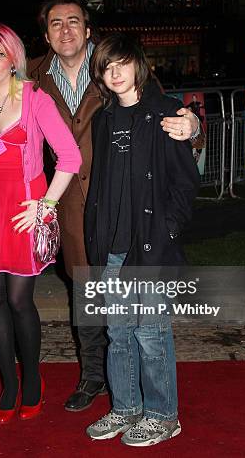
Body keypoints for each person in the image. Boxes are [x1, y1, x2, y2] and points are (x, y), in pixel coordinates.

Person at [27, 0, 199, 412]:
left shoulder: (114, 64)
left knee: (141, 319)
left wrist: (193, 123)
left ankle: (153, 404)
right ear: (46, 34)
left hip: (129, 204)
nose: (65, 29)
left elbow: (166, 113)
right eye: (55, 23)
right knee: (87, 293)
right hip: (72, 203)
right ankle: (94, 378)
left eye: (73, 21)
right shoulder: (30, 77)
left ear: (88, 29)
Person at [0, 23, 82, 423]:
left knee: (18, 300)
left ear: (14, 58)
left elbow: (70, 158)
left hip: (22, 214)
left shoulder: (34, 99)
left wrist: (45, 205)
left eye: (0, 54)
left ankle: (32, 379)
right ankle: (9, 383)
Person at [84, 33, 199, 447]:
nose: (114, 72)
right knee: (118, 332)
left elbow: (186, 184)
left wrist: (167, 230)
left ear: (138, 65)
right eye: (106, 67)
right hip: (113, 248)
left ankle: (163, 415)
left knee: (151, 332)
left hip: (150, 246)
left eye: (121, 63)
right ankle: (127, 408)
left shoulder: (166, 114)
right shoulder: (104, 119)